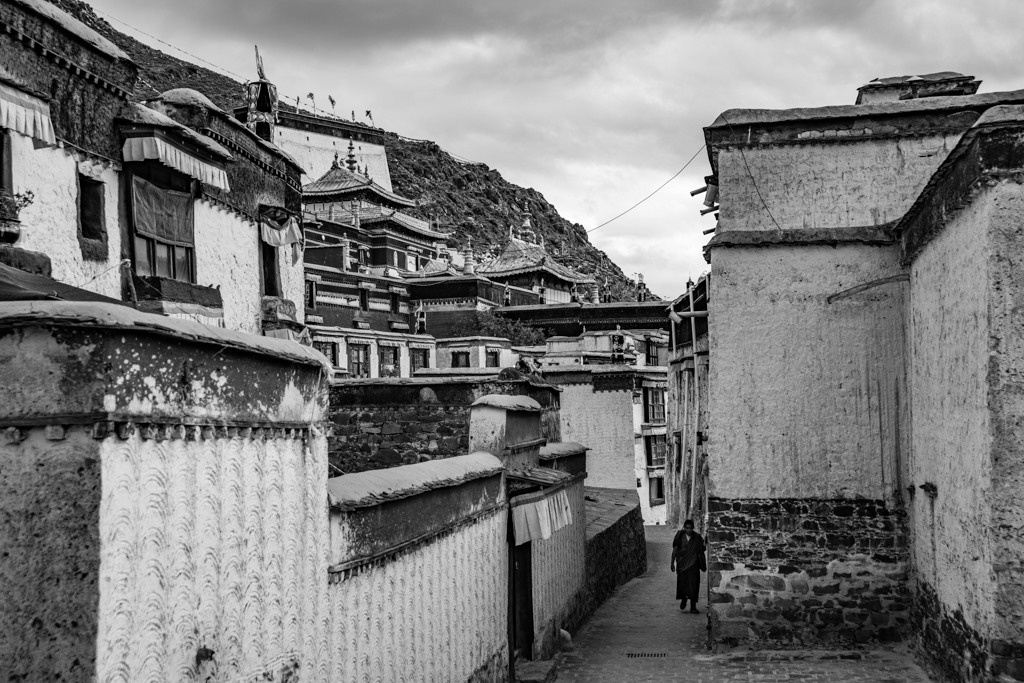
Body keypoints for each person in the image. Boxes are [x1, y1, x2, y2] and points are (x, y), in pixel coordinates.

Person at [671, 519, 706, 613]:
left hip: (694, 565)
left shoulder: (697, 538)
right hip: (682, 565)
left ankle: (693, 607)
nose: (689, 530)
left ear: (693, 528)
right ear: (684, 528)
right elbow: (675, 550)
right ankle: (684, 599)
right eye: (687, 528)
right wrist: (672, 562)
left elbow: (701, 550)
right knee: (683, 584)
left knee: (694, 586)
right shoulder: (679, 536)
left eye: (690, 528)